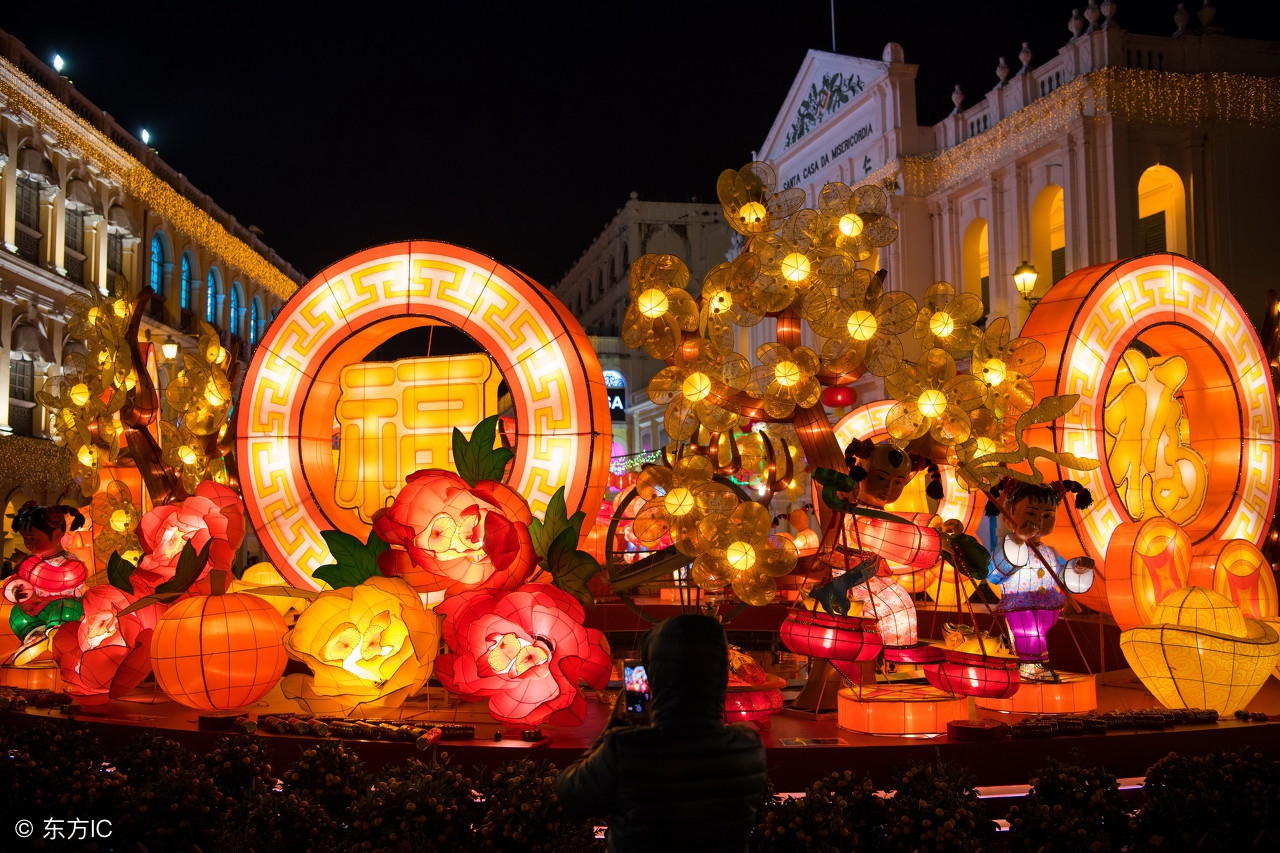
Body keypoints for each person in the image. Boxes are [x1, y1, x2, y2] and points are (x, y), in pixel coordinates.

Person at [555, 614, 767, 853]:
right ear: (719, 675)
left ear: (655, 676)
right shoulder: (748, 747)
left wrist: (613, 730)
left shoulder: (627, 748)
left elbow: (571, 796)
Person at [985, 479, 1095, 682]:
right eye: (1031, 514)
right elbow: (994, 574)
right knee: (1028, 632)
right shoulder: (1010, 546)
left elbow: (1061, 577)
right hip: (1021, 604)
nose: (1039, 521)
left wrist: (1077, 569)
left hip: (1048, 605)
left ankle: (1032, 665)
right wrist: (1018, 539)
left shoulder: (1049, 551)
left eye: (1047, 516)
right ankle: (1030, 667)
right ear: (1010, 512)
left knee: (1037, 634)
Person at [2, 502, 88, 663]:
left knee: (66, 607)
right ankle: (36, 637)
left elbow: (55, 578)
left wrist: (25, 562)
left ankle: (57, 636)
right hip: (37, 608)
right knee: (17, 613)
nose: (28, 543)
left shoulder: (71, 562)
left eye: (33, 538)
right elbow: (17, 580)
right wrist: (15, 590)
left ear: (56, 534)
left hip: (65, 609)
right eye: (25, 538)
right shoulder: (32, 561)